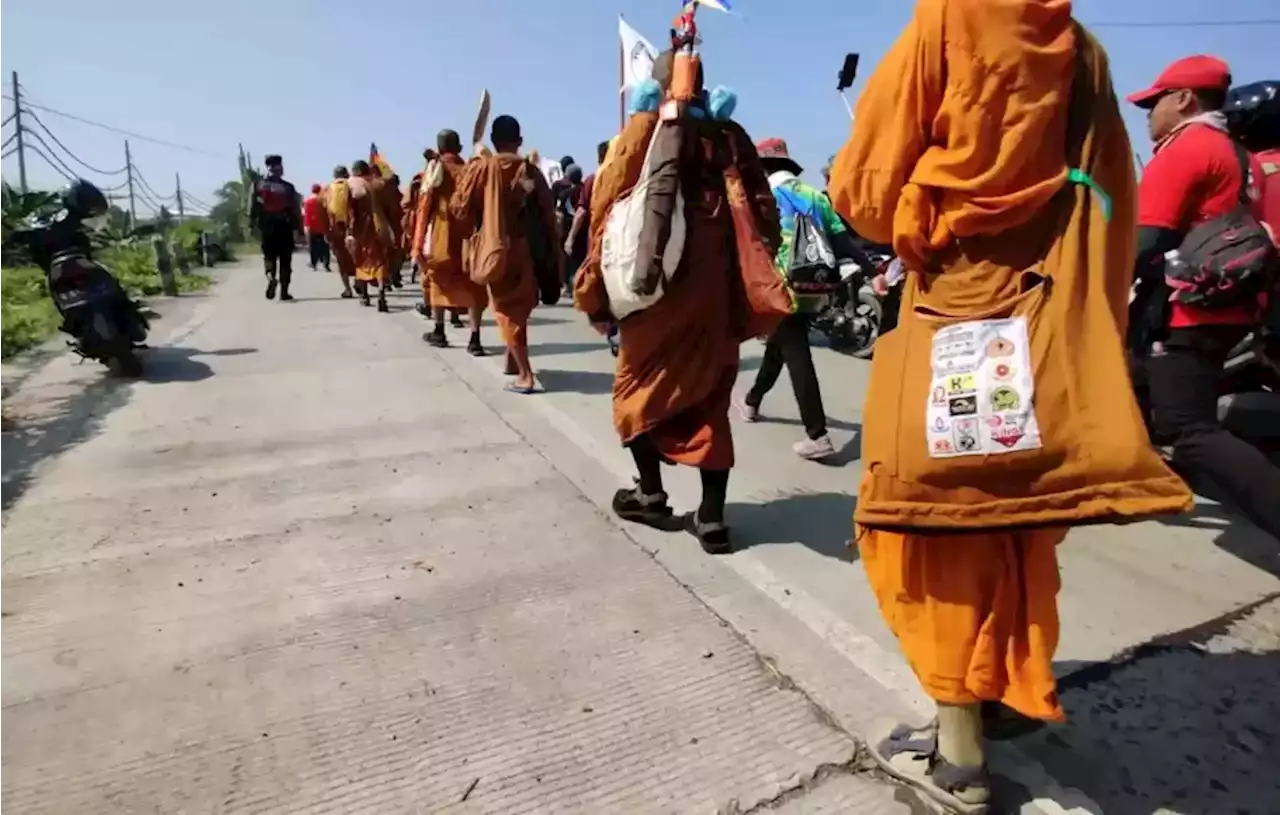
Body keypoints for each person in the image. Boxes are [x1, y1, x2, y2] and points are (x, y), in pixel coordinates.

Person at [828, 3, 1193, 811]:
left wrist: (927, 199)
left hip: (953, 312)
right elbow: (1113, 195)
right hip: (1044, 314)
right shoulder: (1084, 52)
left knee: (927, 524)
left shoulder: (945, 22)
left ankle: (960, 752)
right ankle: (997, 694)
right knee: (1015, 517)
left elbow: (863, 191)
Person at [576, 48, 792, 554]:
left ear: (653, 86)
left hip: (654, 298)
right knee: (711, 400)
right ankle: (712, 518)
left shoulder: (643, 130)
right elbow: (765, 217)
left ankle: (650, 493)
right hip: (715, 298)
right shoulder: (729, 137)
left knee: (635, 395)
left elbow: (604, 208)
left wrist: (595, 291)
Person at [1127, 57, 1280, 542]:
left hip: (1182, 311)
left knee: (1189, 431)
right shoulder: (1242, 155)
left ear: (1183, 100)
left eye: (1154, 102)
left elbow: (1144, 242)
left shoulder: (1186, 149)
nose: (1148, 114)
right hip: (1230, 308)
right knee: (1126, 379)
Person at [736, 138, 854, 461]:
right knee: (779, 346)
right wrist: (874, 272)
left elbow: (750, 244)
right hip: (813, 288)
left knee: (796, 353)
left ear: (764, 168)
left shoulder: (765, 197)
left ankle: (818, 435)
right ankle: (752, 400)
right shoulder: (814, 195)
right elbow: (841, 239)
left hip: (780, 287)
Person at [452, 115, 563, 392]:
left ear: (493, 140)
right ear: (520, 141)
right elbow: (549, 214)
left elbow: (459, 208)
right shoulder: (531, 171)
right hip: (526, 249)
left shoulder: (482, 169)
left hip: (495, 247)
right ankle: (512, 360)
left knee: (505, 310)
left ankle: (525, 375)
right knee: (519, 307)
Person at [414, 129, 490, 356]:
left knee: (439, 280)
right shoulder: (472, 170)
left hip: (442, 234)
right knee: (474, 285)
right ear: (459, 149)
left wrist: (417, 242)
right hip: (470, 237)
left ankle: (439, 331)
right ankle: (475, 339)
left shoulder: (436, 169)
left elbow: (424, 205)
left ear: (439, 148)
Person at [249, 154, 302, 301]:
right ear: (280, 168)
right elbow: (296, 209)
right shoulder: (288, 187)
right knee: (286, 260)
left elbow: (251, 207)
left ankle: (271, 276)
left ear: (267, 167)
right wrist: (300, 229)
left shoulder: (257, 185)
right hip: (284, 225)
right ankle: (284, 292)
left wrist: (251, 225)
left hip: (266, 226)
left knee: (269, 256)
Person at [346, 159, 396, 312]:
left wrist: (350, 230)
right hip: (381, 226)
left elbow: (351, 211)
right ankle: (381, 293)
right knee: (380, 260)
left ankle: (365, 296)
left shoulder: (354, 186)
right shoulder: (381, 185)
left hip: (363, 228)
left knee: (363, 260)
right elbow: (392, 208)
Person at [325, 166, 356, 298]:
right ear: (347, 174)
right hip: (353, 227)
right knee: (357, 258)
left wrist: (327, 231)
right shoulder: (352, 186)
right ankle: (360, 283)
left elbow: (324, 211)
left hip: (336, 229)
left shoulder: (327, 189)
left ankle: (347, 289)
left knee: (341, 260)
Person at [303, 183, 331, 271]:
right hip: (323, 225)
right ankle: (326, 265)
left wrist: (306, 226)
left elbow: (307, 214)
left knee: (313, 246)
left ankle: (313, 263)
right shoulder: (323, 200)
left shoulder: (307, 201)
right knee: (325, 246)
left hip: (312, 225)